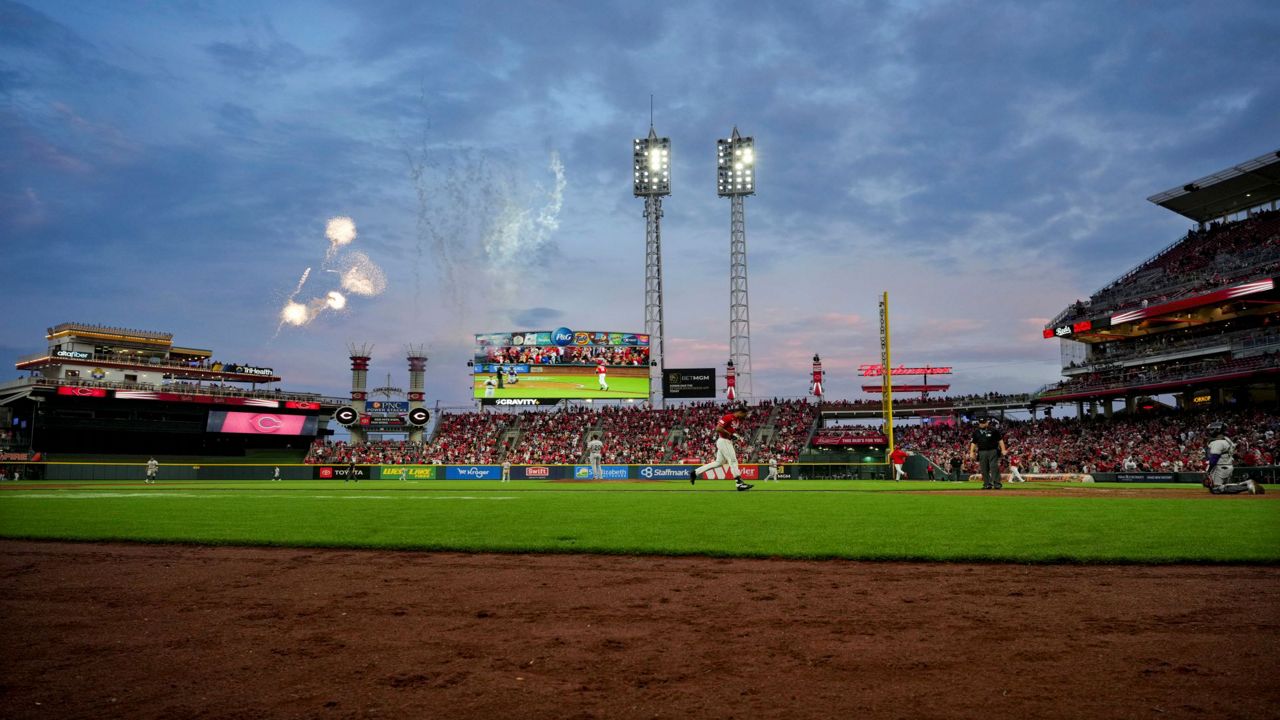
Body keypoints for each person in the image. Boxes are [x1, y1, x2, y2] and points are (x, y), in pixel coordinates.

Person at [690, 406, 753, 491]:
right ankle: (739, 483)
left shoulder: (738, 420)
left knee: (718, 463)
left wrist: (736, 436)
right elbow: (718, 428)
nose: (745, 417)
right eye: (744, 414)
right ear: (740, 412)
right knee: (733, 461)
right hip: (723, 441)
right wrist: (731, 435)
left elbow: (731, 431)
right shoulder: (728, 417)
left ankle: (695, 472)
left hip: (727, 441)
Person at [1204, 422, 1262, 495]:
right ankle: (1247, 483)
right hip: (1228, 466)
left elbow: (1214, 458)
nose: (1210, 431)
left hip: (1220, 467)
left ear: (1217, 430)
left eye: (1211, 429)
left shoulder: (1218, 442)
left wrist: (1209, 471)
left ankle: (1248, 486)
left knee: (1216, 489)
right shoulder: (1227, 440)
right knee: (1224, 487)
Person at [968, 418, 1007, 490]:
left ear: (987, 423)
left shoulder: (994, 430)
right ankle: (987, 484)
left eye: (983, 423)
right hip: (982, 451)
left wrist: (1003, 449)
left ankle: (997, 484)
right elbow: (973, 443)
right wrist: (971, 452)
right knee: (984, 468)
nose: (981, 424)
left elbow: (1000, 440)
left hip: (993, 450)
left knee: (994, 467)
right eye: (980, 423)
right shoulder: (976, 431)